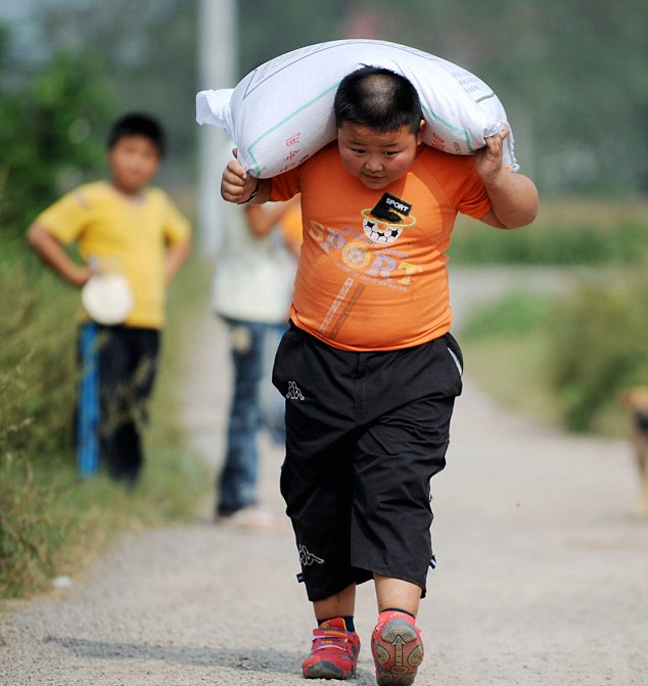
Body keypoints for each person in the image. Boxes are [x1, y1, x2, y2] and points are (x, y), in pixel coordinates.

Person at [221, 66, 538, 685]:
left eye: (389, 150)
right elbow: (258, 190)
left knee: (395, 485)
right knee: (317, 493)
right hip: (317, 358)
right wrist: (239, 184)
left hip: (414, 364)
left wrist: (498, 174)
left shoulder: (447, 170)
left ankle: (398, 626)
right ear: (334, 133)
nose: (372, 165)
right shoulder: (311, 160)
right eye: (356, 148)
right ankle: (333, 635)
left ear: (419, 132)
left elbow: (520, 214)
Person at [27, 112, 192, 488]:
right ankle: (89, 475)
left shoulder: (158, 202)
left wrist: (161, 277)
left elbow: (182, 238)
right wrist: (72, 274)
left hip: (149, 322)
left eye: (147, 154)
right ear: (110, 153)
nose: (136, 161)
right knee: (100, 397)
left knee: (136, 403)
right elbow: (41, 233)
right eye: (128, 151)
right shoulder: (90, 199)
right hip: (103, 320)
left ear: (157, 162)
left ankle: (127, 481)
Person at [212, 185, 300, 527]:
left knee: (251, 403)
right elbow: (259, 224)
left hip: (261, 301)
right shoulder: (244, 157)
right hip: (249, 302)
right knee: (251, 405)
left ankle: (234, 497)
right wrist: (298, 191)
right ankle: (237, 498)